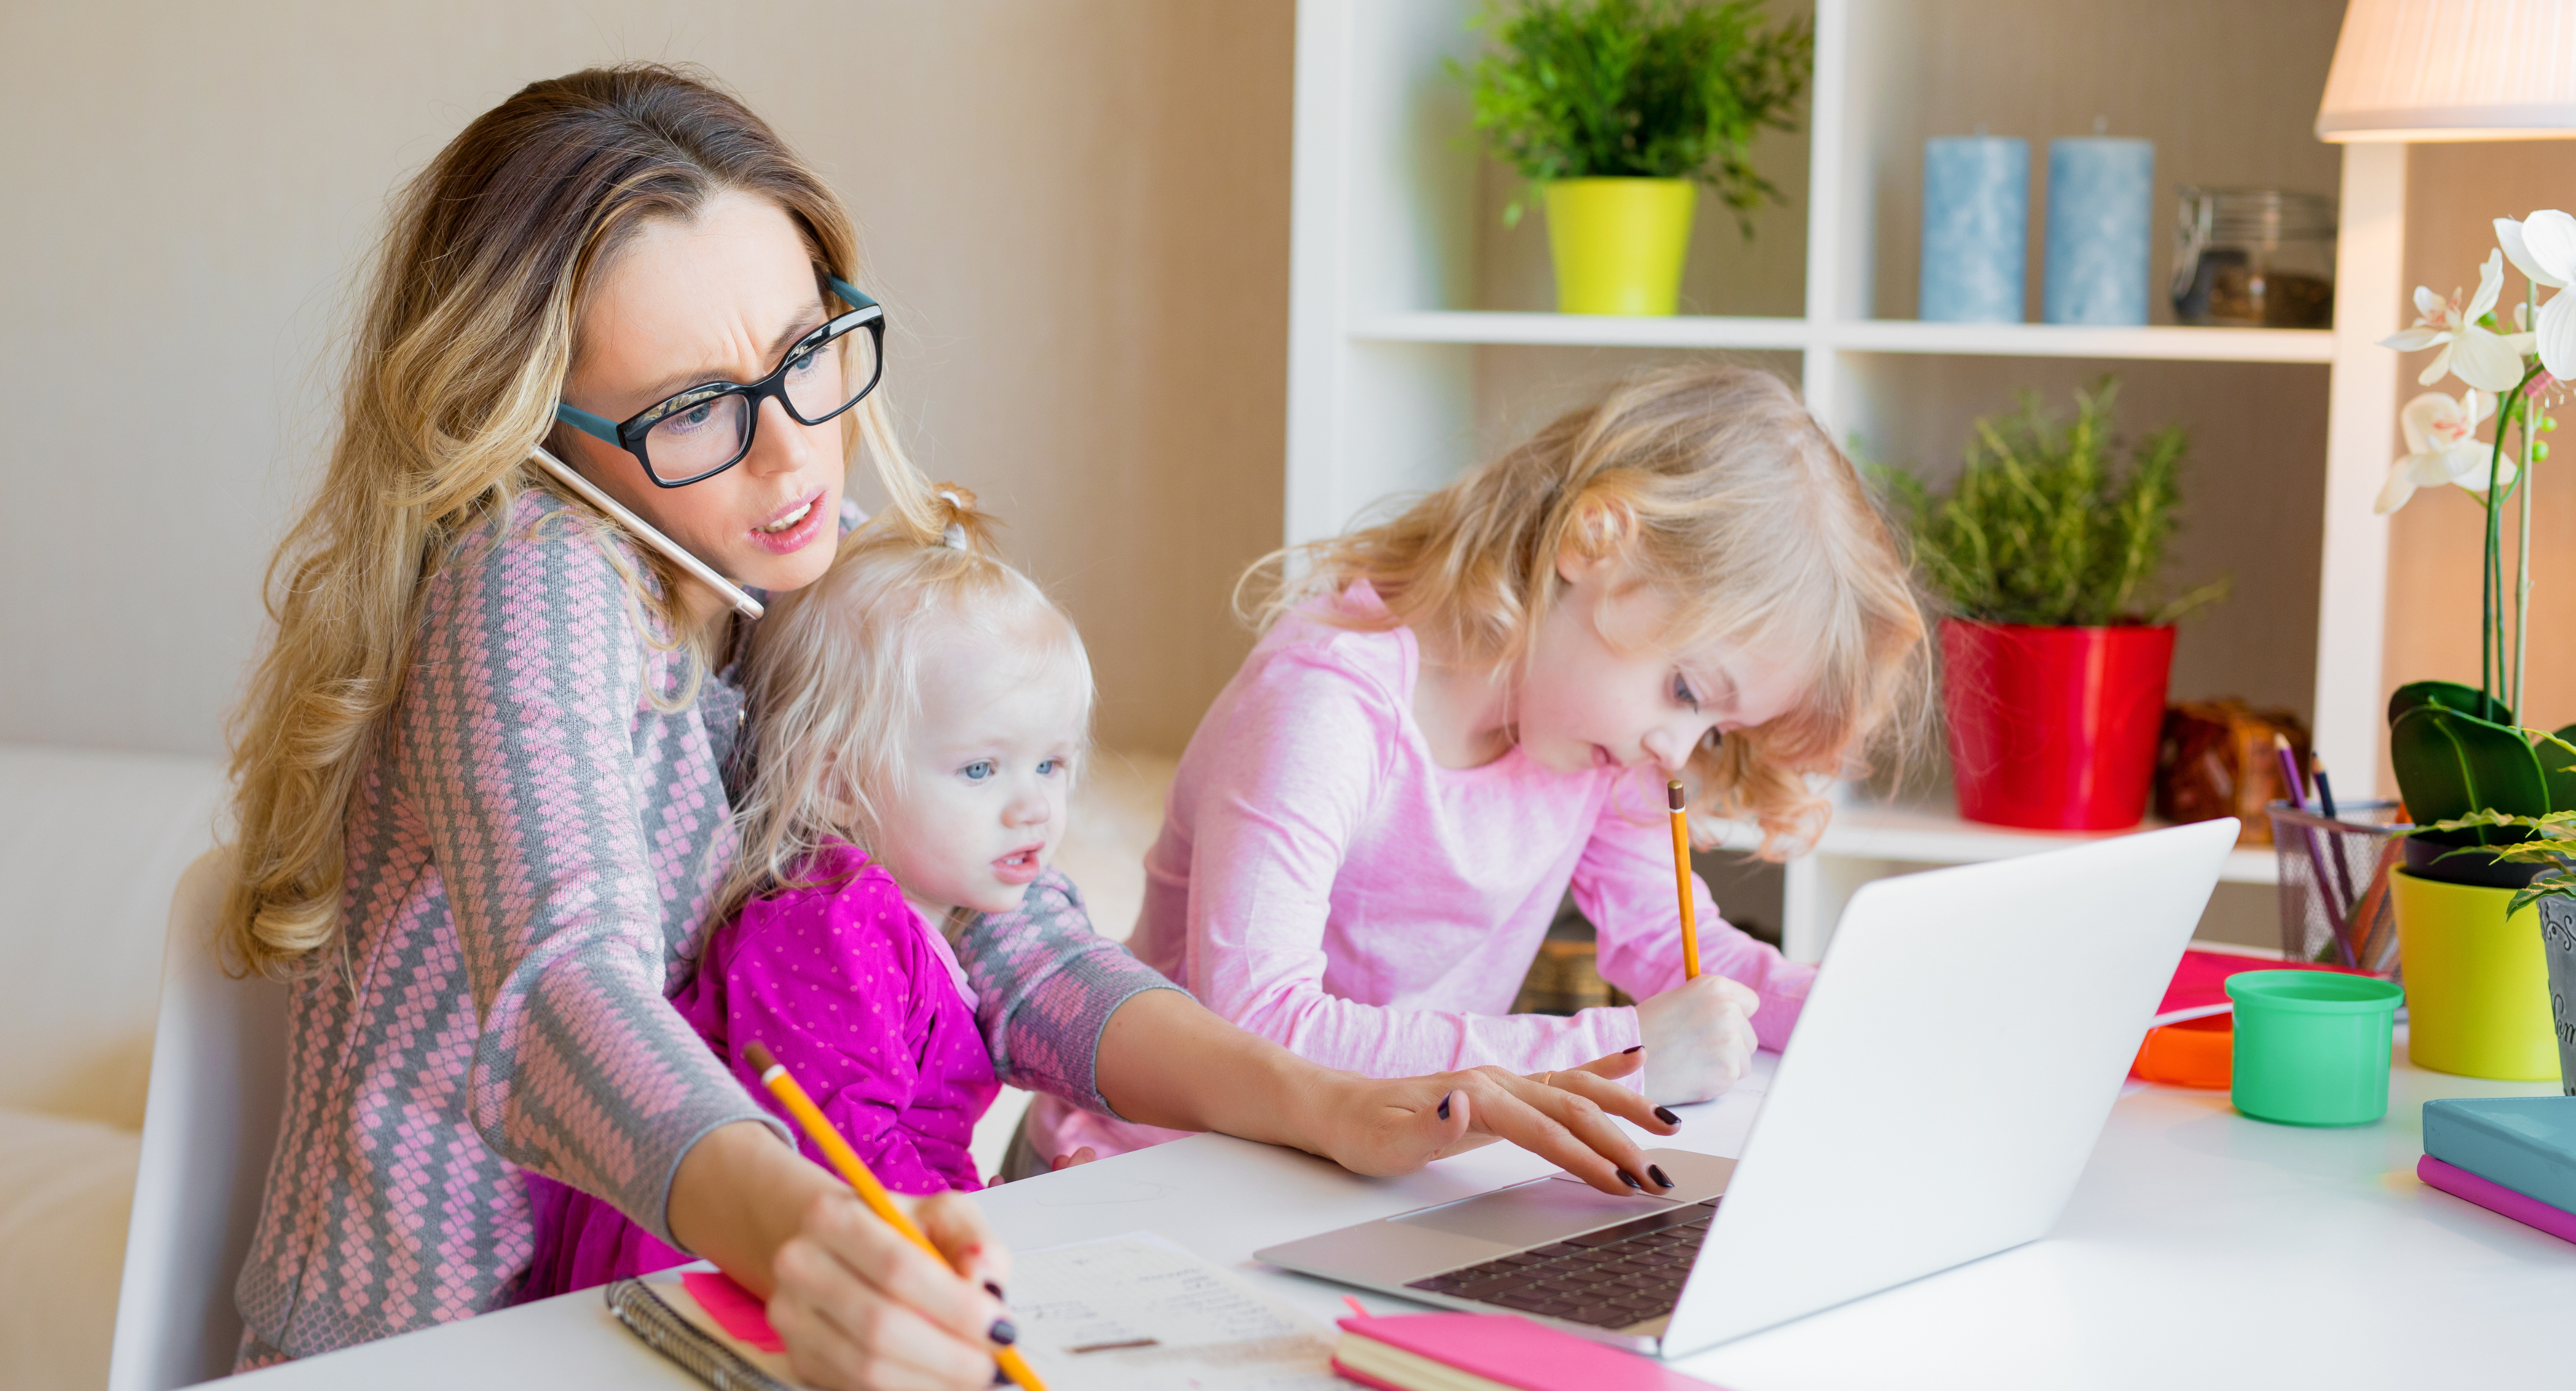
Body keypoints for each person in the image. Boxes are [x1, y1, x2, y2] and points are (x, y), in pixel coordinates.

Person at [221, 64, 1669, 1390]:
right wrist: (799, 1237)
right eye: (694, 413)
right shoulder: (529, 574)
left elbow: (1014, 941)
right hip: (448, 1342)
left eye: (808, 357)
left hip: (654, 1303)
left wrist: (1328, 1103)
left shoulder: (793, 557)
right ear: (537, 433)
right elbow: (562, 991)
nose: (795, 456)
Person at [1028, 368, 1930, 1170]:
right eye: (1689, 688)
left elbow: (1679, 949)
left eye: (1718, 731)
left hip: (1371, 1163)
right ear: (1594, 542)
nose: (1678, 750)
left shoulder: (1590, 738)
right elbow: (1258, 1027)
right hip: (1148, 1168)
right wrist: (1614, 1052)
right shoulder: (1330, 702)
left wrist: (1857, 1006)